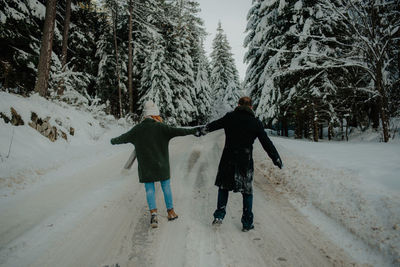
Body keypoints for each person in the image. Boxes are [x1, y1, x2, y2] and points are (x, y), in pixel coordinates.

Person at [110, 100, 199, 228]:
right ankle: (171, 212)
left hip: (146, 167)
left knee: (149, 190)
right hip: (161, 165)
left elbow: (122, 138)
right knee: (166, 187)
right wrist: (194, 130)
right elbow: (179, 131)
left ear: (145, 115)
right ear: (155, 114)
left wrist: (113, 141)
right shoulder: (162, 127)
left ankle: (154, 215)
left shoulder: (137, 129)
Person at [201, 96, 283, 232]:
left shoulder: (230, 117)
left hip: (228, 158)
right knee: (247, 192)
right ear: (251, 107)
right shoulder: (255, 122)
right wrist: (276, 158)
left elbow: (214, 125)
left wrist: (201, 131)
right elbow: (266, 142)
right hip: (245, 161)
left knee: (223, 187)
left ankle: (219, 216)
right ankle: (247, 223)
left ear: (238, 105)